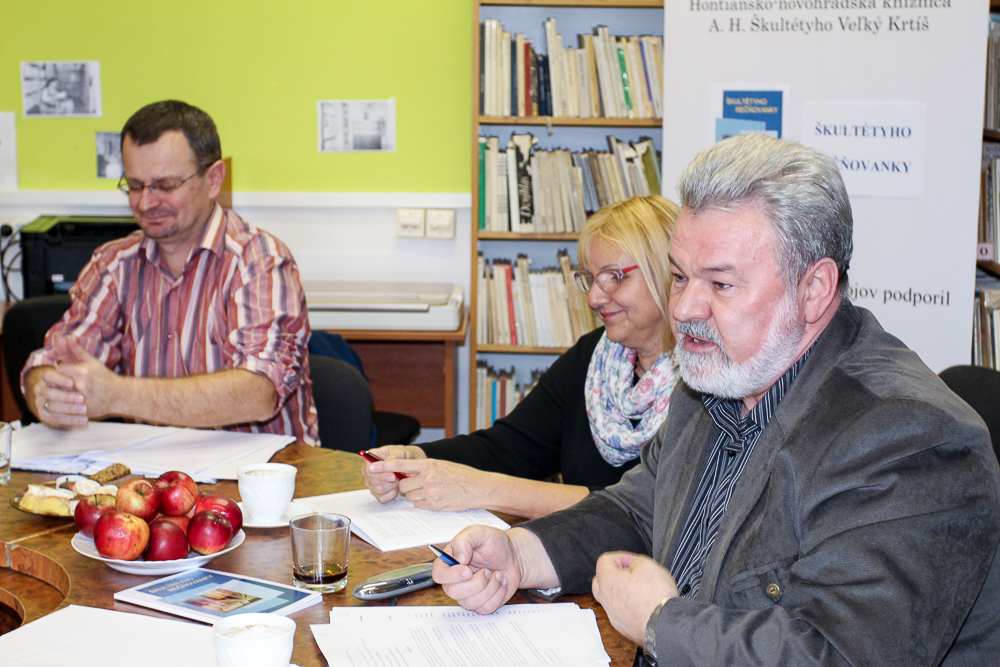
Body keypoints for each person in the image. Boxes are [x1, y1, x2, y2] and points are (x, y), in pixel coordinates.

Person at [432, 134, 1000, 666]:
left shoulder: (910, 435)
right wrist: (523, 555)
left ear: (814, 289)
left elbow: (836, 653)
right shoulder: (718, 377)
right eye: (680, 277)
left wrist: (661, 622)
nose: (683, 309)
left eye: (721, 284)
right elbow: (639, 508)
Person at [362, 196, 679, 518]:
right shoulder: (595, 357)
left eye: (614, 277)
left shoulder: (699, 388)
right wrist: (413, 458)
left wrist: (487, 489)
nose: (594, 298)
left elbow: (647, 507)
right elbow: (510, 447)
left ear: (667, 273)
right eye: (591, 279)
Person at [22, 100, 319, 444]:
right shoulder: (113, 263)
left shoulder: (260, 261)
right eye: (135, 186)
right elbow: (46, 365)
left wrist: (118, 394)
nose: (146, 203)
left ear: (213, 180)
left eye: (165, 185)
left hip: (259, 471)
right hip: (149, 467)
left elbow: (259, 392)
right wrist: (47, 392)